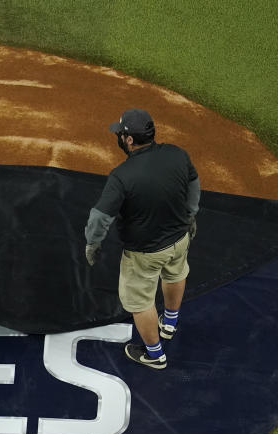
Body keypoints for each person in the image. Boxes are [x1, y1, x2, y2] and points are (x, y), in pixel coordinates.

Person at [84, 108, 200, 370]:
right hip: (179, 241)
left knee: (141, 303)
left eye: (120, 134)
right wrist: (191, 214)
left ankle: (154, 354)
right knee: (175, 274)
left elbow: (100, 218)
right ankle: (169, 324)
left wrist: (93, 242)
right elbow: (193, 183)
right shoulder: (177, 154)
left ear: (128, 140)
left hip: (144, 255)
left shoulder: (122, 176)